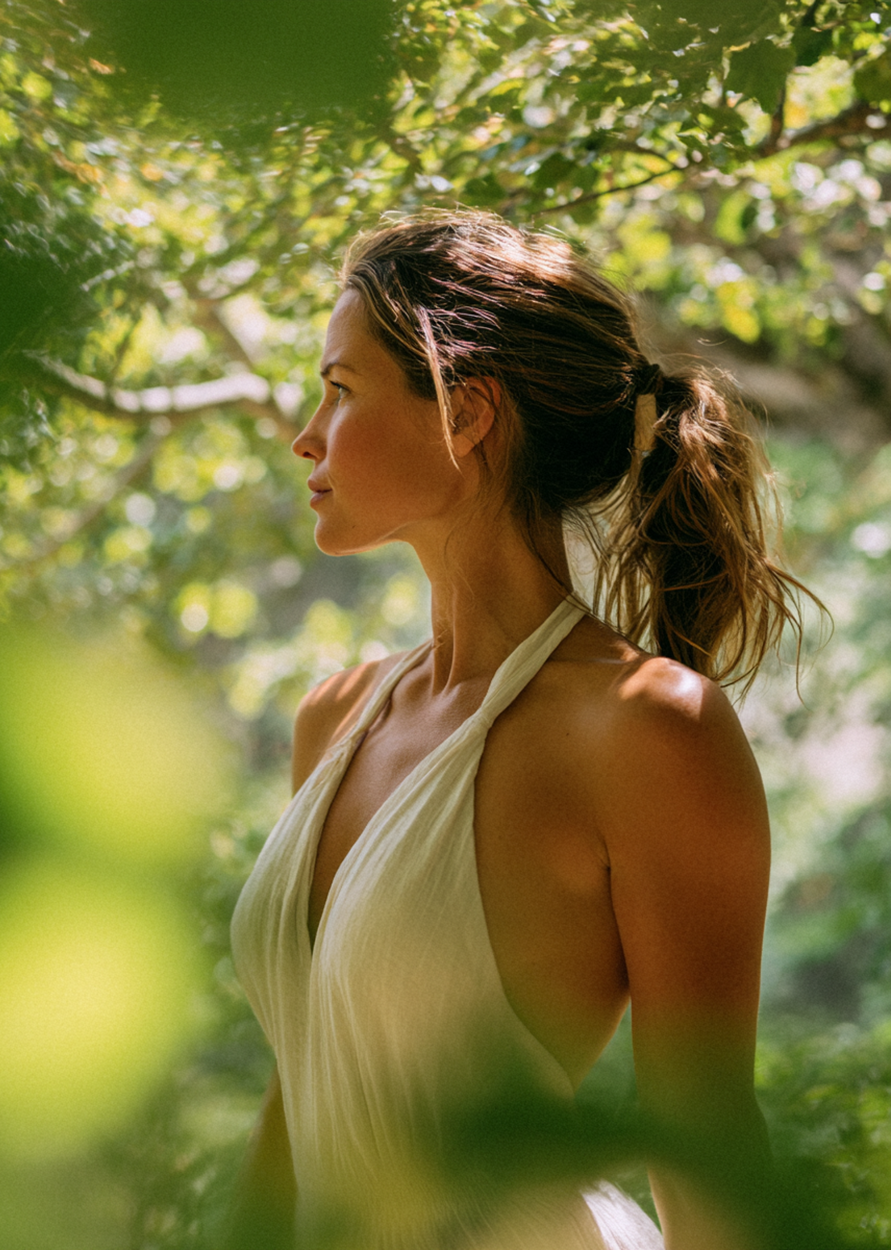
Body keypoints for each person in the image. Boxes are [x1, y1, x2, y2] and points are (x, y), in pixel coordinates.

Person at [229, 211, 807, 1250]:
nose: (305, 432)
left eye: (342, 388)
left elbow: (704, 1140)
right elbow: (301, 1095)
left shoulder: (643, 732)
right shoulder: (333, 716)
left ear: (468, 414)